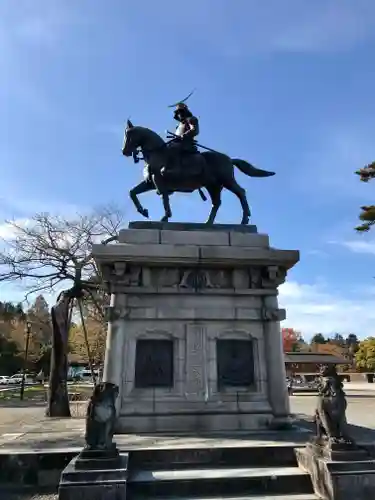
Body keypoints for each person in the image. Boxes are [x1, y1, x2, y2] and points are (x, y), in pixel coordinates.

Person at [162, 102, 200, 177]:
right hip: (177, 142)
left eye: (180, 112)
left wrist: (185, 134)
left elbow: (195, 130)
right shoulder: (179, 125)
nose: (179, 115)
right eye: (177, 113)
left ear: (184, 112)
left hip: (187, 144)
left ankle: (175, 168)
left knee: (173, 148)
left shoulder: (191, 119)